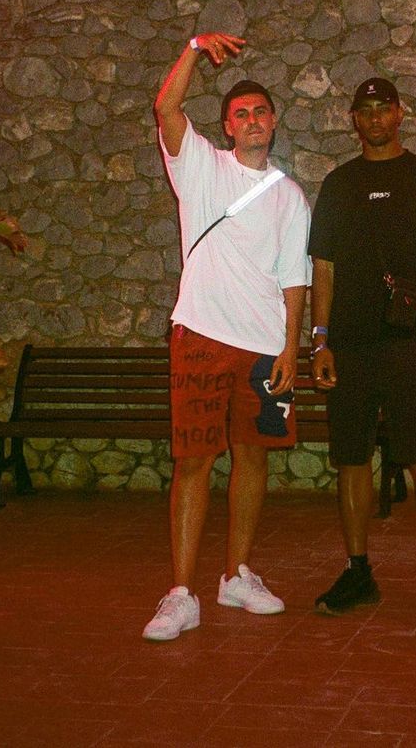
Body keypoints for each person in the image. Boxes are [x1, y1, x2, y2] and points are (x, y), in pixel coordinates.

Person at [142, 31, 311, 641]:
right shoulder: (201, 167)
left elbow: (294, 278)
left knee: (253, 457)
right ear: (227, 127)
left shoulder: (290, 196)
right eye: (241, 114)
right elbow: (166, 108)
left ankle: (237, 574)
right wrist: (193, 47)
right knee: (194, 462)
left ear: (274, 121)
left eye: (261, 111)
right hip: (202, 335)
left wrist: (291, 347)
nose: (252, 120)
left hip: (263, 346)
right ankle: (180, 593)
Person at [308, 77, 416, 634]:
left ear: (400, 114)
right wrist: (320, 340)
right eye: (366, 110)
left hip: (404, 344)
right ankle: (359, 572)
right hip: (349, 345)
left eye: (384, 109)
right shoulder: (339, 184)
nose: (376, 118)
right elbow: (323, 267)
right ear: (354, 119)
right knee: (352, 460)